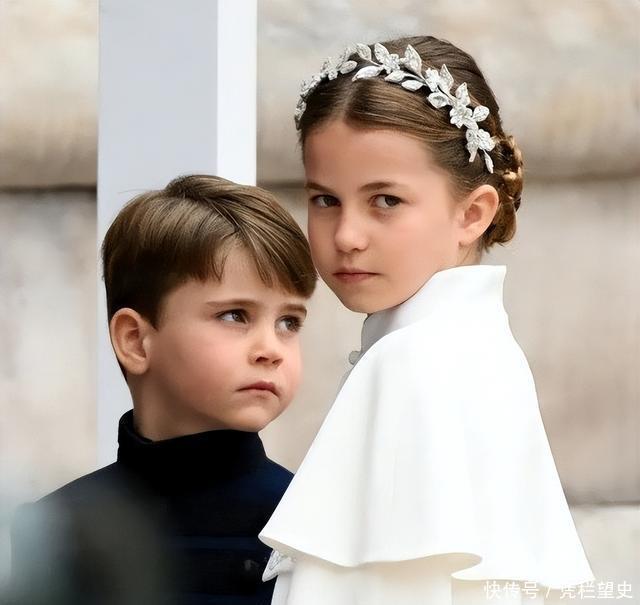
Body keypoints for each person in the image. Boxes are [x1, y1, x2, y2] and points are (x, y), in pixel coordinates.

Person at [259, 36, 595, 604]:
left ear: (472, 213)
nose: (347, 236)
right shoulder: (479, 349)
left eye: (385, 201)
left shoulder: (409, 360)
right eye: (325, 200)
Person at [9, 174, 317, 605]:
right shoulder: (52, 531)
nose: (271, 349)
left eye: (289, 322)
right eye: (234, 315)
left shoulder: (315, 527)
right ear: (135, 340)